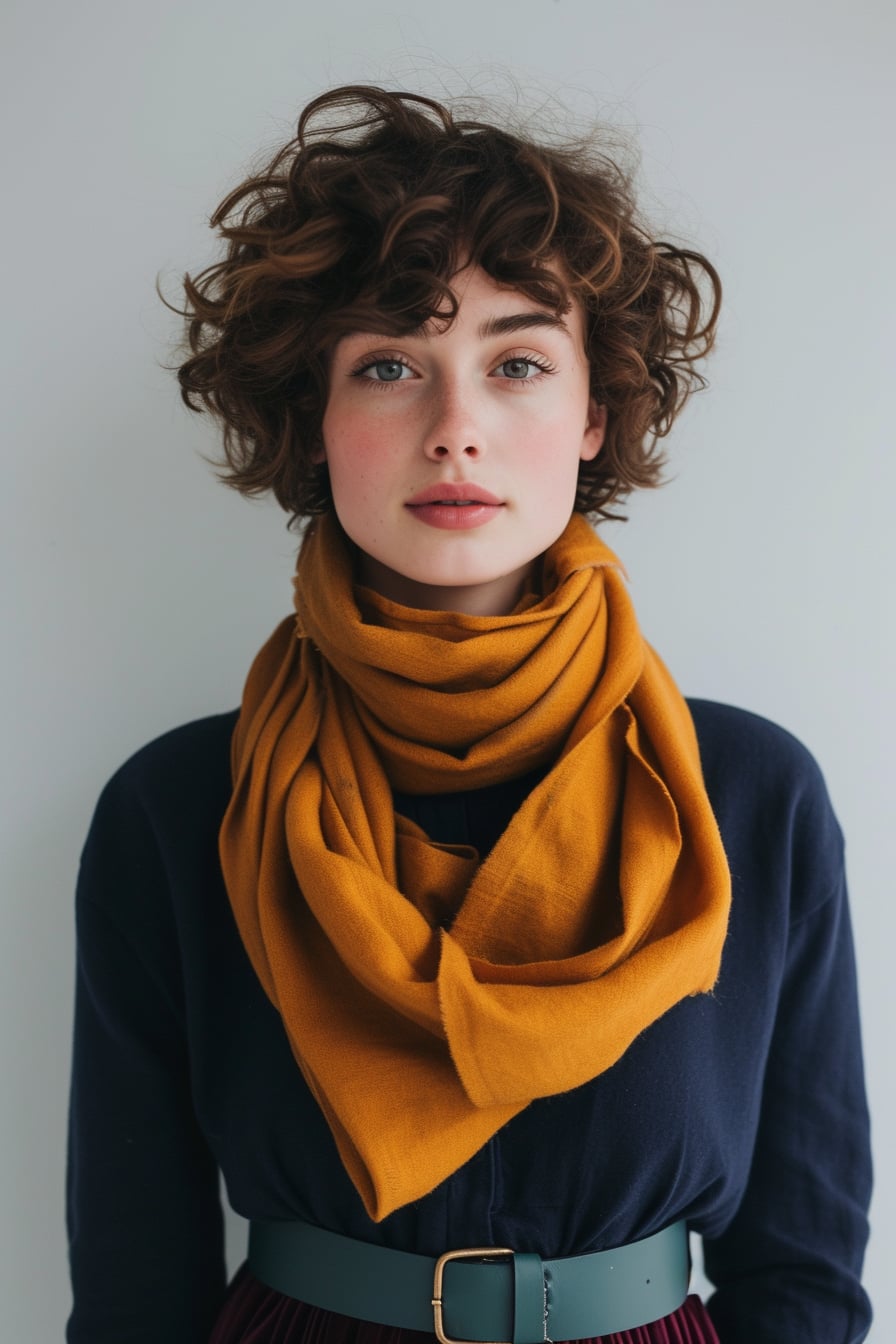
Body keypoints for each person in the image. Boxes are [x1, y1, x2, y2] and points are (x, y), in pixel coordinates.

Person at [65, 85, 873, 1343]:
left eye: (515, 363)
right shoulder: (179, 808)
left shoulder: (746, 792)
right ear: (314, 424)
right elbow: (131, 1281)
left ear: (592, 413)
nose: (455, 431)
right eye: (388, 365)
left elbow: (803, 1262)